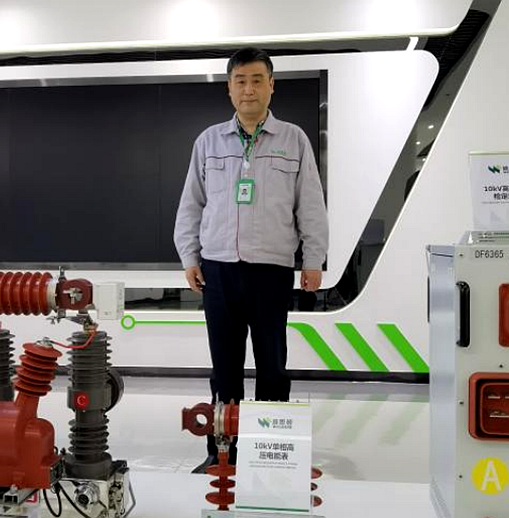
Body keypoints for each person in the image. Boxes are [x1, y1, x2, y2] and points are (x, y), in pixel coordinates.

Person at [173, 47, 328, 472]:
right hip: (218, 269)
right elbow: (191, 204)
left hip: (271, 270)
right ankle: (222, 453)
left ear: (271, 85)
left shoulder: (293, 140)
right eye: (240, 81)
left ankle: (269, 454)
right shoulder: (208, 142)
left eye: (257, 80)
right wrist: (189, 255)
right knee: (224, 369)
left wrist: (313, 259)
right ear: (229, 88)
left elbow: (310, 204)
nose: (249, 89)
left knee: (272, 366)